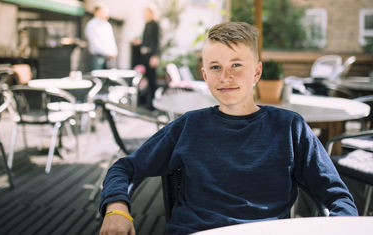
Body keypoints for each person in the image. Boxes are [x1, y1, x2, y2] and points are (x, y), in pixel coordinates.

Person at [99, 22, 358, 235]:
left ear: (256, 72)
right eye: (215, 67)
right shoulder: (189, 126)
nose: (225, 76)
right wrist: (116, 208)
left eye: (236, 65)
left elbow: (337, 196)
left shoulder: (290, 128)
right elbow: (124, 167)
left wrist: (342, 226)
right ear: (205, 75)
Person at [136, 5, 160, 110]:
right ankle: (146, 102)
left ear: (151, 13)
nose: (144, 14)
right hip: (145, 55)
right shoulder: (146, 25)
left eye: (146, 12)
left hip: (151, 55)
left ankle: (153, 104)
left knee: (152, 80)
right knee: (145, 79)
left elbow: (157, 41)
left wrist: (155, 56)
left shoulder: (155, 25)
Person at [85, 3, 118, 70]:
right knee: (98, 78)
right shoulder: (92, 25)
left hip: (110, 57)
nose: (106, 13)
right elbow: (94, 43)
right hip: (98, 57)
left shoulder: (107, 25)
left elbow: (111, 40)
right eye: (103, 11)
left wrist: (114, 51)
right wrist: (107, 53)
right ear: (96, 12)